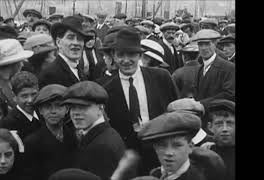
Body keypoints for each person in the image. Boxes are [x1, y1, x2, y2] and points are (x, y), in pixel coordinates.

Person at [103, 27, 179, 175]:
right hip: (128, 158)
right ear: (113, 55)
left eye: (131, 54)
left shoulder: (161, 77)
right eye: (121, 55)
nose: (126, 60)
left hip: (162, 152)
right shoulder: (106, 88)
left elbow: (178, 112)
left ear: (140, 55)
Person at [62, 81, 126, 180]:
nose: (76, 113)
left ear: (100, 109)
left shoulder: (102, 147)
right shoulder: (105, 134)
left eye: (83, 107)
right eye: (73, 108)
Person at [138, 111, 226, 180]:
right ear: (155, 148)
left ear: (190, 147)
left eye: (177, 145)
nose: (169, 153)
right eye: (162, 146)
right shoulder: (156, 174)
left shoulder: (199, 177)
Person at [21, 84, 77, 180]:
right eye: (48, 107)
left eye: (58, 106)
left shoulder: (74, 137)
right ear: (41, 110)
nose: (53, 111)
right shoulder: (32, 143)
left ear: (67, 109)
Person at [38, 16, 93, 88]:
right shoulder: (50, 74)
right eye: (70, 37)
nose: (76, 43)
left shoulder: (79, 70)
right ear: (58, 42)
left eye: (79, 39)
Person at [191, 29, 235, 107]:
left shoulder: (228, 67)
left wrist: (201, 104)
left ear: (215, 45)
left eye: (207, 44)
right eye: (200, 44)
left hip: (219, 115)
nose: (204, 48)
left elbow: (229, 94)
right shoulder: (199, 69)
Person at [0, 71, 41, 139]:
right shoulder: (8, 125)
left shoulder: (43, 113)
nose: (30, 100)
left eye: (33, 94)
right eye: (24, 96)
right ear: (15, 97)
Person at [202, 99, 235, 180]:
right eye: (219, 124)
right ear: (210, 127)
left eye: (230, 123)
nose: (224, 129)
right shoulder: (205, 153)